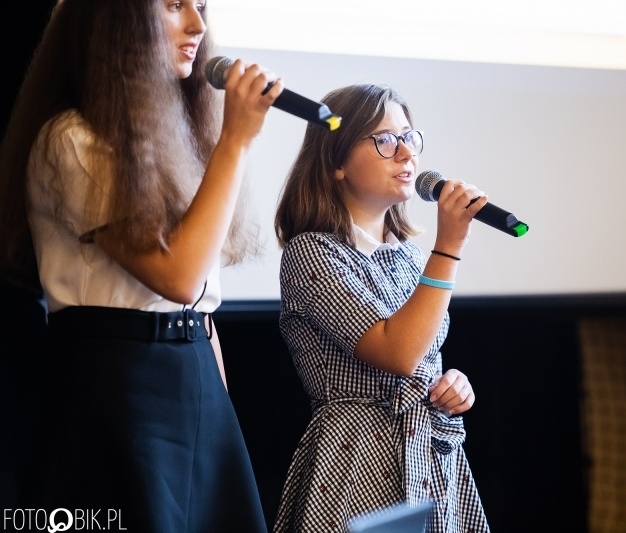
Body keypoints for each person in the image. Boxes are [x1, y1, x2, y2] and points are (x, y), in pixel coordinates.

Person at [0, 0, 280, 530]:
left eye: (201, 6)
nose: (198, 26)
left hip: (193, 374)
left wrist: (216, 396)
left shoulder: (168, 143)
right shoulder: (71, 140)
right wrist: (236, 140)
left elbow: (198, 303)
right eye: (175, 6)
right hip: (116, 388)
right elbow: (176, 278)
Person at [273, 83, 490, 532]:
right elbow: (397, 352)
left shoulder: (410, 259)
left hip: (429, 458)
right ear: (336, 162)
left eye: (410, 138)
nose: (407, 155)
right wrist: (449, 245)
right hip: (356, 464)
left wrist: (452, 384)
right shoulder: (312, 254)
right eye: (385, 140)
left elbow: (424, 360)